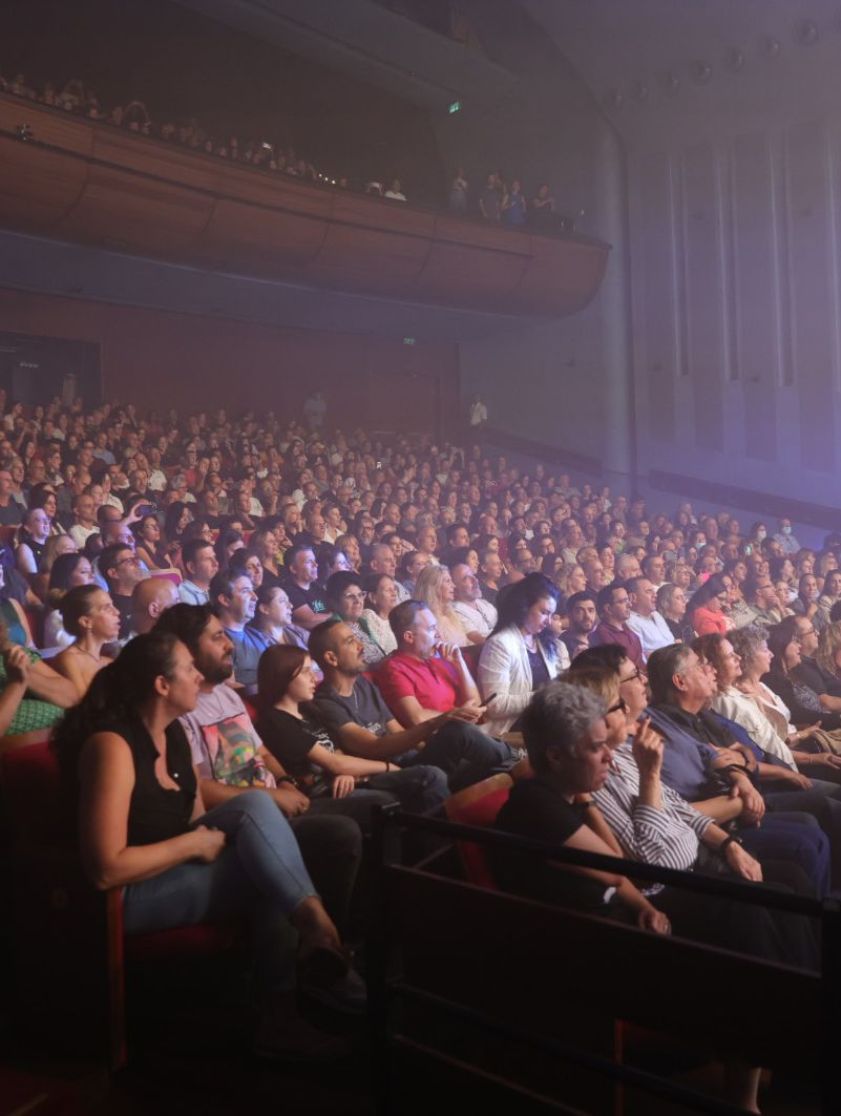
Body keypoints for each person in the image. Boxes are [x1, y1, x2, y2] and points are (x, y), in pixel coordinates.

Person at [53, 630, 357, 1059]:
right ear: (162, 685)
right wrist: (191, 848)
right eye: (189, 669)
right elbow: (105, 869)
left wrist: (209, 840)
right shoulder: (112, 746)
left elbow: (196, 817)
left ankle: (313, 932)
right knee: (263, 873)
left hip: (173, 868)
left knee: (255, 808)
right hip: (126, 895)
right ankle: (288, 1002)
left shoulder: (173, 735)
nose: (200, 676)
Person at [153, 604, 364, 946]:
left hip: (277, 800)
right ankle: (328, 945)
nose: (229, 644)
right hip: (241, 818)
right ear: (187, 649)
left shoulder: (226, 695)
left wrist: (284, 781)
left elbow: (262, 752)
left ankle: (351, 938)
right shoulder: (180, 708)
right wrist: (273, 798)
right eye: (217, 636)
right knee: (341, 833)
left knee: (378, 809)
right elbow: (196, 788)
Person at [310, 617, 511, 791]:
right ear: (331, 658)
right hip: (383, 770)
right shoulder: (326, 702)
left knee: (474, 756)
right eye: (350, 642)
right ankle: (515, 757)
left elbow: (395, 729)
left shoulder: (362, 685)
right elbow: (374, 746)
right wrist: (439, 721)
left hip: (407, 758)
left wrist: (433, 746)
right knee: (459, 732)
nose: (361, 646)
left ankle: (514, 764)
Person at [256, 645, 447, 825]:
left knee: (430, 775)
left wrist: (347, 773)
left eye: (313, 670)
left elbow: (338, 753)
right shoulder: (275, 721)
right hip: (323, 792)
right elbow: (333, 762)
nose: (314, 678)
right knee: (416, 783)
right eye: (306, 672)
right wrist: (388, 767)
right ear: (283, 676)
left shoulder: (309, 710)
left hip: (348, 780)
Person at [478, 573, 569, 738]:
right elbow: (494, 705)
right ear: (525, 607)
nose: (548, 621)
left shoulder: (545, 642)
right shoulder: (500, 644)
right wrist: (544, 696)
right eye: (544, 612)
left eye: (551, 614)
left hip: (544, 722)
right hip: (512, 731)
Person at [52, 585, 120, 698]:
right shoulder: (69, 659)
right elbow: (83, 705)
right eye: (107, 608)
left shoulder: (109, 662)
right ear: (86, 622)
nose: (117, 612)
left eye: (113, 606)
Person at [43, 553, 96, 649]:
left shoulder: (90, 607)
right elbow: (76, 652)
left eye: (91, 571)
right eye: (84, 572)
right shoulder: (57, 616)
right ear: (66, 576)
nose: (92, 576)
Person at [590, 580, 644, 670]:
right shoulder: (601, 634)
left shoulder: (629, 631)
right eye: (623, 601)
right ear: (608, 608)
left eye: (628, 600)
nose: (629, 605)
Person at [99, 542, 147, 640]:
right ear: (113, 573)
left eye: (136, 559)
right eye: (129, 561)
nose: (138, 564)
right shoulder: (111, 609)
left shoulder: (147, 596)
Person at [413, 564, 468, 647]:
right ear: (434, 586)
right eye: (447, 581)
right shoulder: (425, 621)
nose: (453, 586)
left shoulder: (453, 615)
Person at [281, 544, 329, 631]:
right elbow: (310, 619)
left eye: (314, 561)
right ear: (293, 569)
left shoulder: (316, 586)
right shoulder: (288, 591)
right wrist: (338, 616)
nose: (316, 565)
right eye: (309, 562)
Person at [626, 576, 674, 660]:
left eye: (654, 591)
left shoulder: (656, 615)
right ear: (633, 597)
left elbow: (671, 641)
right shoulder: (630, 621)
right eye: (649, 591)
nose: (655, 595)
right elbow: (643, 656)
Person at [357, 572, 398, 666]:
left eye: (395, 589)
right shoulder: (368, 616)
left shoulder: (396, 619)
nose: (394, 593)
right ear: (373, 597)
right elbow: (378, 655)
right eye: (388, 590)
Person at [450, 562, 497, 644]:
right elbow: (477, 639)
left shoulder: (484, 603)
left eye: (473, 575)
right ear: (455, 590)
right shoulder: (456, 611)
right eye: (466, 578)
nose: (475, 580)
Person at [559, 590, 598, 662]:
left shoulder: (597, 639)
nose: (587, 616)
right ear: (569, 615)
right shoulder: (561, 645)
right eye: (580, 611)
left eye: (591, 610)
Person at [178, 538, 219, 606]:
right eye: (208, 559)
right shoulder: (184, 597)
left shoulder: (216, 588)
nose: (216, 563)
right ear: (192, 567)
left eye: (214, 557)